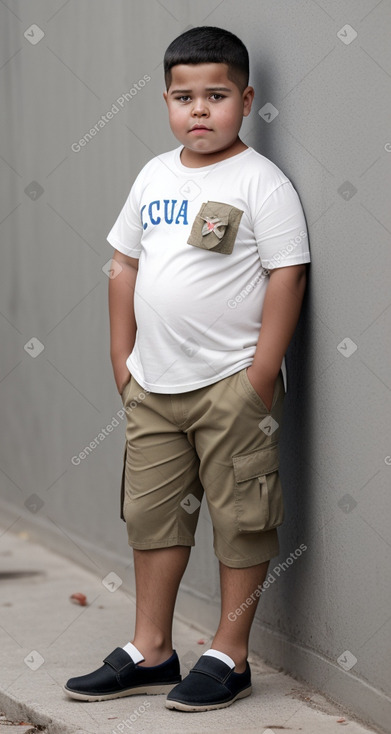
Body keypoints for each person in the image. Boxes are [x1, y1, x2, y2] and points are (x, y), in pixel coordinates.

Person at [65, 25, 310, 712]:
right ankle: (151, 649)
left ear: (246, 99)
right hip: (154, 386)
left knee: (241, 517)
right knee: (151, 517)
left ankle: (228, 655)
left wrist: (260, 374)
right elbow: (123, 267)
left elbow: (287, 276)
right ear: (165, 101)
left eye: (215, 95)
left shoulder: (259, 181)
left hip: (232, 386)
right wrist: (123, 362)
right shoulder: (153, 175)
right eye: (183, 97)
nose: (198, 110)